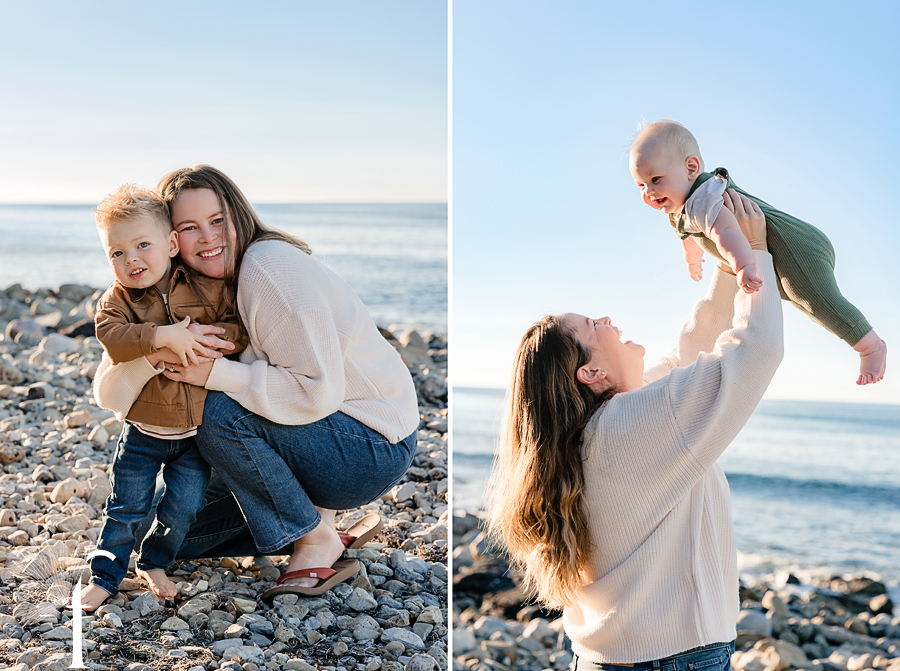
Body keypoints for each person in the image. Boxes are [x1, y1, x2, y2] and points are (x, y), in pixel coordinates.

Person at [93, 165, 420, 599]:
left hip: (368, 446)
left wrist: (212, 372)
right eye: (189, 227)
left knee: (215, 409)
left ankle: (312, 538)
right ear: (171, 241)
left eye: (217, 220)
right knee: (161, 532)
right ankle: (311, 520)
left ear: (238, 214)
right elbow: (110, 394)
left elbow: (318, 393)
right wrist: (159, 348)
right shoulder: (171, 289)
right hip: (305, 436)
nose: (208, 238)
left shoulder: (269, 269)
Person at [489, 192, 782, 667]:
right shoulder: (632, 424)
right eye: (592, 325)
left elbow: (693, 349)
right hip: (674, 659)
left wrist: (731, 266)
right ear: (591, 374)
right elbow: (756, 351)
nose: (606, 318)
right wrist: (758, 256)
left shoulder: (605, 425)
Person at [84, 184, 246, 611]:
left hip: (194, 435)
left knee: (183, 509)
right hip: (141, 432)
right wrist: (162, 336)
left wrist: (215, 340)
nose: (131, 258)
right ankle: (104, 576)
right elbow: (114, 341)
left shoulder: (205, 288)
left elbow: (236, 327)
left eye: (142, 245)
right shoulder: (116, 302)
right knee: (126, 507)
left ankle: (154, 562)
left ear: (171, 244)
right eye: (116, 253)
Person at [629, 119, 886, 385]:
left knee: (818, 300)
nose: (649, 191)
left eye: (655, 179)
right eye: (640, 185)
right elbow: (687, 236)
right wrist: (693, 261)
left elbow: (726, 231)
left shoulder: (703, 199)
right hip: (781, 254)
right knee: (805, 304)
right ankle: (861, 340)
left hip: (794, 246)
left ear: (691, 168)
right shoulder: (683, 208)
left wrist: (743, 266)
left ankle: (870, 346)